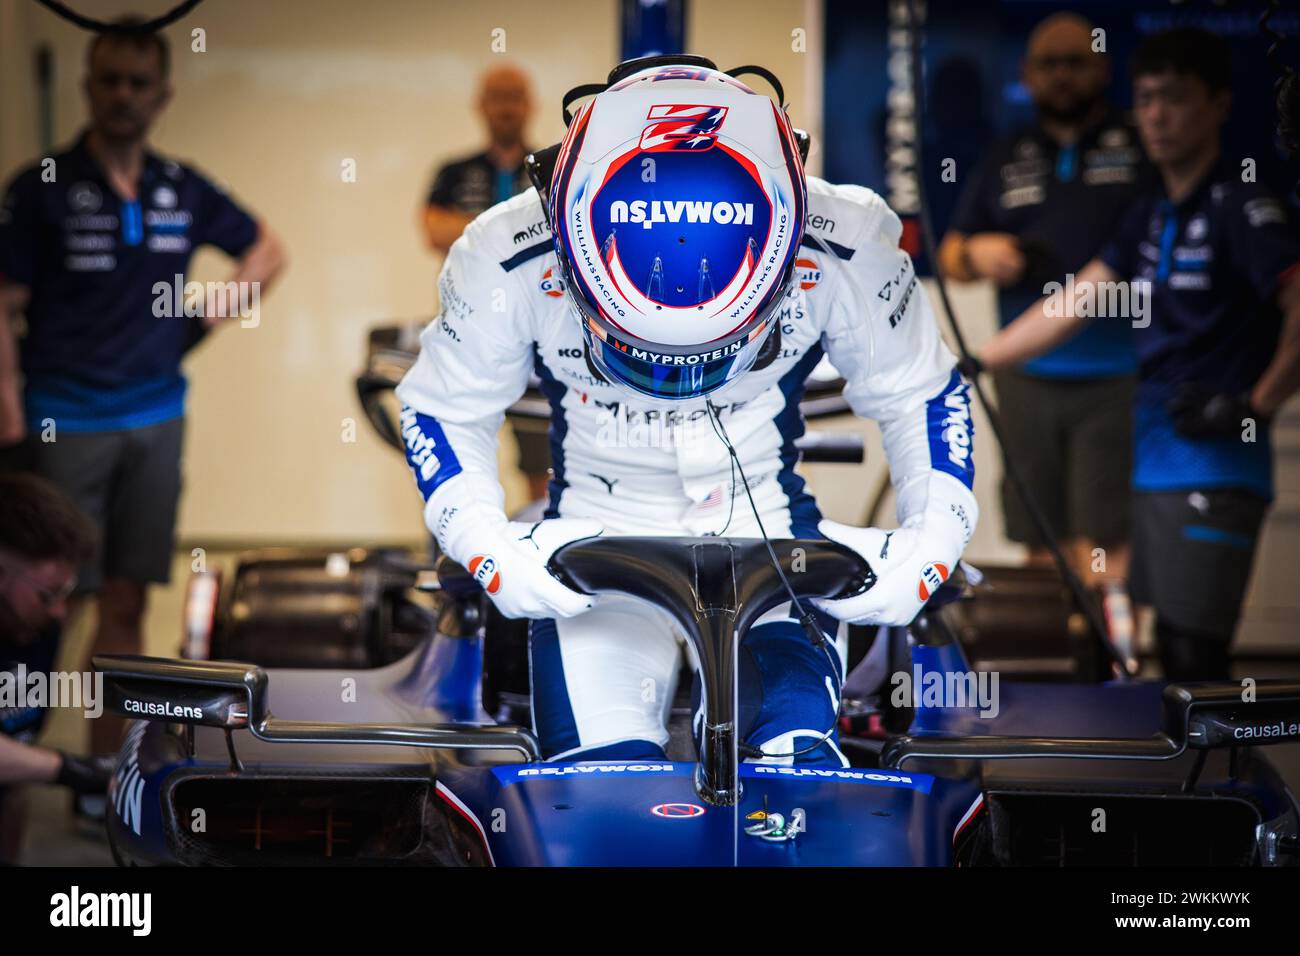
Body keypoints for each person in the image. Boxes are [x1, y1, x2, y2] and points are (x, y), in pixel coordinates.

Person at [397, 58, 979, 766]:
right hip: (590, 557)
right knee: (597, 795)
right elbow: (441, 407)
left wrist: (934, 540)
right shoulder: (505, 246)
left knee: (798, 781)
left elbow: (923, 390)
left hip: (771, 545)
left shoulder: (844, 234)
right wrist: (482, 540)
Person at [975, 28, 1300, 680]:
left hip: (1215, 462)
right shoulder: (1150, 209)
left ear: (1217, 104)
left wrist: (1256, 403)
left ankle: (1227, 784)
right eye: (1147, 98)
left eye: (1175, 99)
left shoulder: (1242, 198)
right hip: (1152, 458)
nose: (1155, 115)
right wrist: (976, 361)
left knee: (1192, 658)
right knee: (1148, 648)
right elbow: (1077, 300)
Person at [0, 20, 286, 756]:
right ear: (88, 87)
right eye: (109, 80)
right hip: (63, 421)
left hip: (157, 419)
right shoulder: (42, 188)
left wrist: (194, 326)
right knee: (50, 602)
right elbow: (3, 303)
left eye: (137, 82)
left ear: (162, 94)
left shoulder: (180, 185)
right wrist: (7, 406)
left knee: (127, 597)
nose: (123, 95)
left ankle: (102, 776)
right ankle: (21, 754)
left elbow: (267, 250)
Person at [938, 12, 1146, 590]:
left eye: (1075, 62)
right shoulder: (1005, 154)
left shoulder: (1139, 144)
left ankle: (1111, 663)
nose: (1061, 76)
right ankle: (1057, 656)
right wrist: (978, 253)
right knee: (1038, 533)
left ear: (1102, 69)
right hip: (1023, 374)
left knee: (1106, 534)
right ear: (1026, 76)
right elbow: (951, 253)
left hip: (1117, 374)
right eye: (1048, 65)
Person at [420, 64, 550, 503]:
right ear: (481, 106)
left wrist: (479, 234)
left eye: (515, 96)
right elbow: (433, 229)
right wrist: (514, 234)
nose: (506, 107)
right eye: (497, 96)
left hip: (536, 339)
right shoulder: (453, 172)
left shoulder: (549, 168)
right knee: (457, 455)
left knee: (542, 462)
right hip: (469, 335)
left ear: (529, 105)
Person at [0, 474, 110, 864]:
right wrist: (71, 769)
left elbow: (14, 766)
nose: (61, 611)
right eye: (47, 595)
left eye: (66, 594)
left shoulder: (36, 628)